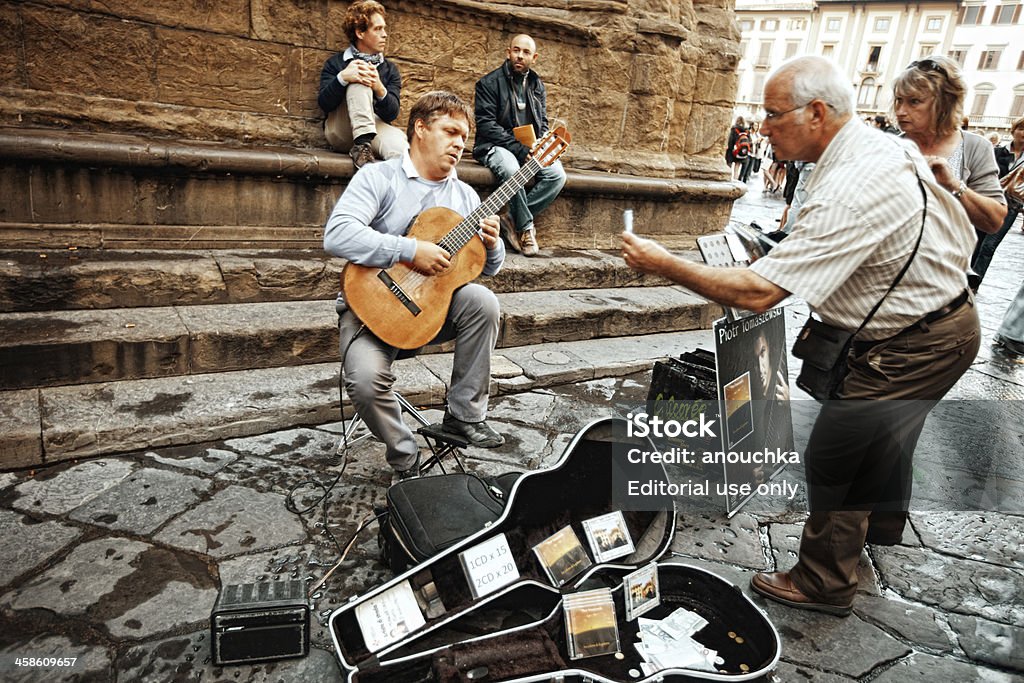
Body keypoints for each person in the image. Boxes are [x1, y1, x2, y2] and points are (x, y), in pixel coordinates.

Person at [622, 56, 978, 616]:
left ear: (816, 113)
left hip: (916, 340)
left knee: (841, 452)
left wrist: (663, 262)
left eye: (771, 114)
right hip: (939, 321)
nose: (761, 128)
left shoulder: (854, 186)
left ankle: (824, 581)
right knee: (885, 438)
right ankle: (874, 530)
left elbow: (759, 294)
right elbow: (952, 229)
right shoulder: (879, 148)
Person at [324, 91, 507, 479]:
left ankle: (464, 416)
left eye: (465, 137)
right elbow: (337, 235)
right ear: (420, 129)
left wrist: (492, 245)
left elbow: (485, 269)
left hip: (429, 314)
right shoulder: (379, 176)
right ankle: (406, 458)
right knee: (365, 381)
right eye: (451, 131)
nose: (460, 143)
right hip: (369, 311)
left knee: (482, 300)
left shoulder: (465, 195)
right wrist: (408, 250)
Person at [890, 56, 1006, 289]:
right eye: (898, 101)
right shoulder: (888, 147)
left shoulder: (974, 147)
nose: (901, 111)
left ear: (944, 102)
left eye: (914, 102)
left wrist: (953, 184)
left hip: (941, 285)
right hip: (887, 279)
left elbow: (994, 221)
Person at [473, 34, 566, 257]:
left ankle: (511, 220)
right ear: (508, 52)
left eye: (525, 53)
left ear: (534, 57)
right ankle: (525, 229)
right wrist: (520, 150)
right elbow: (486, 125)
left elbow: (542, 122)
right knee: (512, 169)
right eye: (516, 51)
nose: (519, 56)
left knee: (557, 175)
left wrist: (541, 146)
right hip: (495, 146)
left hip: (528, 148)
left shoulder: (537, 85)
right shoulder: (488, 83)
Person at [318, 0, 407, 168]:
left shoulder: (390, 69)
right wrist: (343, 78)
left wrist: (379, 87)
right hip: (342, 131)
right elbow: (324, 104)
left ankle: (392, 189)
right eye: (378, 29)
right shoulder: (335, 63)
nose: (385, 34)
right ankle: (361, 144)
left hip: (374, 127)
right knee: (359, 75)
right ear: (360, 32)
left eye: (384, 28)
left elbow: (392, 114)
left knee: (401, 150)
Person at [973, 117, 1024, 282]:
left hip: (1011, 206)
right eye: (1021, 128)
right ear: (1013, 130)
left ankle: (974, 282)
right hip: (988, 202)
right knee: (977, 241)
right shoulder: (996, 152)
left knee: (989, 245)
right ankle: (965, 277)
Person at [725, 117, 750, 181]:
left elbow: (730, 140)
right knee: (737, 168)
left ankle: (727, 179)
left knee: (729, 166)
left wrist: (730, 149)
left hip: (732, 150)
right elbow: (749, 141)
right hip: (740, 151)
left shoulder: (734, 129)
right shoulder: (746, 131)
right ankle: (735, 181)